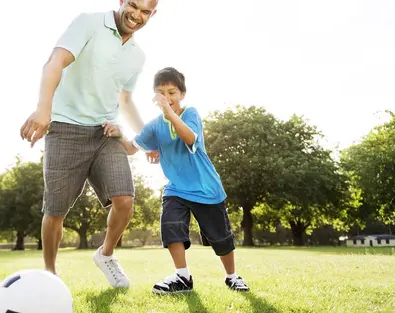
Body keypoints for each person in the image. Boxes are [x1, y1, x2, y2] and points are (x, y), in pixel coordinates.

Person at [19, 0, 160, 288]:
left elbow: (125, 100)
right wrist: (44, 109)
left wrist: (146, 139)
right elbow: (54, 62)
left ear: (152, 14)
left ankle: (106, 254)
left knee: (125, 200)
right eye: (133, 5)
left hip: (105, 133)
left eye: (145, 11)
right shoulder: (88, 23)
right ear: (121, 1)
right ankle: (50, 274)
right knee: (55, 210)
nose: (137, 15)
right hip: (65, 128)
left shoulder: (137, 56)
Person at [107, 67, 250, 294]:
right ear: (155, 96)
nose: (167, 97)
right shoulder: (154, 126)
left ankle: (232, 276)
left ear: (182, 94)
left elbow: (189, 137)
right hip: (176, 189)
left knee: (220, 238)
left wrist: (170, 114)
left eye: (172, 92)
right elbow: (131, 148)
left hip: (206, 189)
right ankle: (183, 277)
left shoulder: (190, 113)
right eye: (161, 93)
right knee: (171, 227)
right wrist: (118, 133)